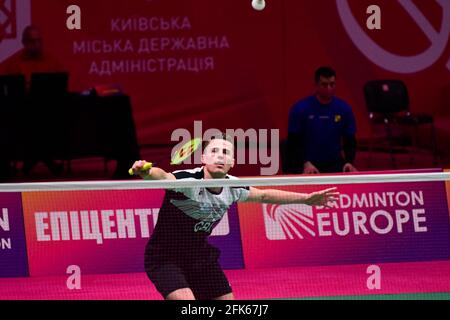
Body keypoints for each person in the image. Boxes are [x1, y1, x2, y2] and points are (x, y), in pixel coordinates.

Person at [131, 133, 339, 300]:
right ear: (203, 158)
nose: (220, 156)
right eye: (214, 151)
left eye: (225, 153)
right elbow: (164, 176)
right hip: (165, 257)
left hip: (199, 257)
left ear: (232, 162)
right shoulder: (189, 181)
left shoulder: (233, 186)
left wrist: (306, 199)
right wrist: (145, 172)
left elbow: (264, 194)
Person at [1, 25, 64, 177]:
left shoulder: (52, 62)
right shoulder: (12, 63)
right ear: (24, 42)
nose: (36, 44)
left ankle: (30, 164)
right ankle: (44, 162)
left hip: (48, 113)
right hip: (20, 114)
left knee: (45, 122)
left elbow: (60, 87)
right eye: (32, 41)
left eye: (38, 41)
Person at [287, 66, 358, 174]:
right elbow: (293, 142)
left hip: (334, 162)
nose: (329, 88)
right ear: (316, 85)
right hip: (307, 162)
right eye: (324, 84)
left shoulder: (344, 109)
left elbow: (350, 140)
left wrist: (349, 162)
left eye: (332, 84)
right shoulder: (300, 109)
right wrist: (305, 162)